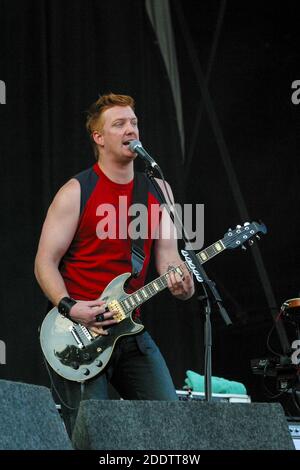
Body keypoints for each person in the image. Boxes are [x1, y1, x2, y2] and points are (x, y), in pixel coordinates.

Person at [34, 92, 194, 436]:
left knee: (171, 426)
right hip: (79, 334)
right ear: (99, 138)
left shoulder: (158, 189)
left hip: (129, 329)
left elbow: (168, 258)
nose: (130, 130)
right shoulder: (77, 191)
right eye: (119, 124)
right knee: (92, 435)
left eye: (133, 122)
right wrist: (70, 307)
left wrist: (182, 282)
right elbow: (44, 262)